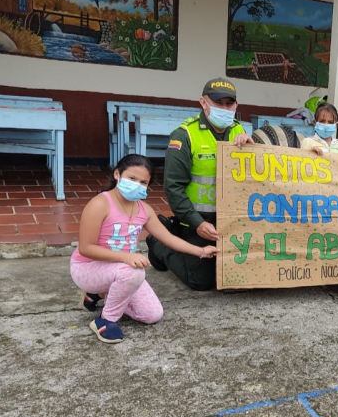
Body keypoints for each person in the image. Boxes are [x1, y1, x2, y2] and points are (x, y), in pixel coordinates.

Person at [72, 155, 218, 344]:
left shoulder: (144, 210)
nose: (137, 185)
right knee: (134, 272)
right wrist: (126, 257)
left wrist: (201, 251)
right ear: (117, 174)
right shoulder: (100, 204)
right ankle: (106, 320)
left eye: (143, 182)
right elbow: (85, 248)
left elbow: (169, 238)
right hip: (87, 268)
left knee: (152, 314)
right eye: (132, 179)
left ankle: (98, 294)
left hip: (120, 270)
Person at [146, 77, 253, 291]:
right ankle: (159, 244)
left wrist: (253, 150)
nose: (224, 108)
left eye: (229, 104)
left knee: (239, 276)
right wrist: (198, 223)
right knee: (201, 282)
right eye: (218, 103)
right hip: (197, 221)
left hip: (228, 221)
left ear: (236, 106)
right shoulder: (185, 135)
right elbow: (173, 187)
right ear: (203, 103)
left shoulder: (239, 131)